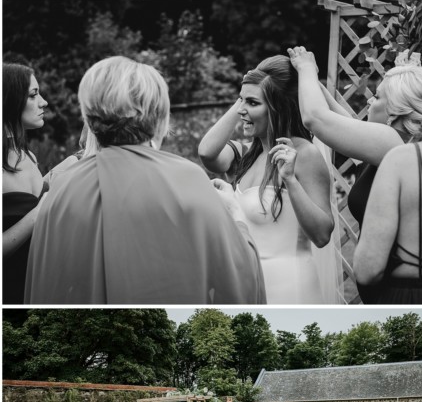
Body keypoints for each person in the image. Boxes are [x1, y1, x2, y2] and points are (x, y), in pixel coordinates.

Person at [25, 56, 263, 304]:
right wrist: (237, 215)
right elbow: (240, 278)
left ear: (90, 116)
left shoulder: (63, 187)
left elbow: (48, 285)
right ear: (158, 115)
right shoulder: (186, 179)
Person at [200, 55, 337, 305]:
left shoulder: (304, 154)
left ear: (279, 107)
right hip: (247, 283)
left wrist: (291, 180)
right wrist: (248, 94)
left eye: (253, 103)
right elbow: (207, 153)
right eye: (241, 100)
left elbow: (322, 235)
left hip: (288, 287)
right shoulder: (245, 154)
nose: (242, 109)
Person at [287, 46, 422, 233]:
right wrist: (311, 78)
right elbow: (343, 122)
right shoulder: (399, 145)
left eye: (377, 97)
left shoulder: (395, 143)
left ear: (397, 107)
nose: (369, 101)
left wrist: (306, 68)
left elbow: (315, 118)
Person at [353, 64, 422, 304]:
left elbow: (368, 269)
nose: (368, 104)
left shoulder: (403, 158)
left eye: (376, 97)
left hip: (409, 296)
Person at [3, 63, 48, 304]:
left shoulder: (28, 156)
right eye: (33, 95)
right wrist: (38, 213)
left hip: (38, 288)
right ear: (9, 100)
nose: (44, 102)